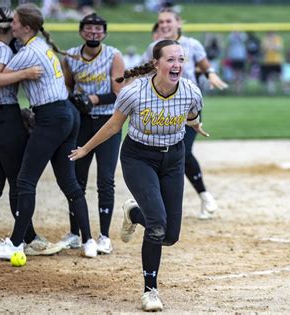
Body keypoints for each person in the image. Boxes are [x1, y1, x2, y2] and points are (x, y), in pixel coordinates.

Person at [69, 39, 210, 312]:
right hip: (139, 157)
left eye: (180, 59)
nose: (177, 65)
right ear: (156, 63)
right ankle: (150, 291)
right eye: (170, 59)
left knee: (170, 236)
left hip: (173, 158)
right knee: (157, 225)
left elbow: (192, 115)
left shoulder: (191, 91)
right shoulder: (134, 93)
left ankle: (134, 213)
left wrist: (196, 125)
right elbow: (113, 126)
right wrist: (86, 148)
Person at [0, 3, 97, 260]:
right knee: (69, 182)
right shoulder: (38, 46)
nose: (12, 24)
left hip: (51, 118)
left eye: (16, 21)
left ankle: (16, 244)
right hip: (67, 114)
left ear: (27, 27)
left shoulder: (28, 52)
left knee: (24, 181)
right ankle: (89, 241)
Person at [0, 7, 62, 258]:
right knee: (19, 182)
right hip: (4, 119)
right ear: (12, 27)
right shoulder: (5, 49)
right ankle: (29, 239)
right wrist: (26, 73)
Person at [142, 8, 228, 220]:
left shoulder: (192, 44)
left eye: (168, 21)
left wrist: (211, 74)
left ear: (178, 23)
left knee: (183, 151)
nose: (164, 25)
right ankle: (166, 201)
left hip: (188, 107)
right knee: (165, 153)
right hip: (161, 111)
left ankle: (203, 195)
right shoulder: (153, 48)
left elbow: (204, 64)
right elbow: (144, 73)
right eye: (161, 21)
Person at [58, 13, 125, 254]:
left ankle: (104, 236)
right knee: (77, 178)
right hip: (81, 123)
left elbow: (119, 91)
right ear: (81, 32)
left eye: (98, 29)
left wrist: (92, 99)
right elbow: (67, 86)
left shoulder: (112, 55)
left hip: (108, 122)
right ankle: (75, 233)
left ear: (104, 33)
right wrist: (70, 100)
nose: (93, 33)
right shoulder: (71, 56)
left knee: (105, 179)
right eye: (89, 29)